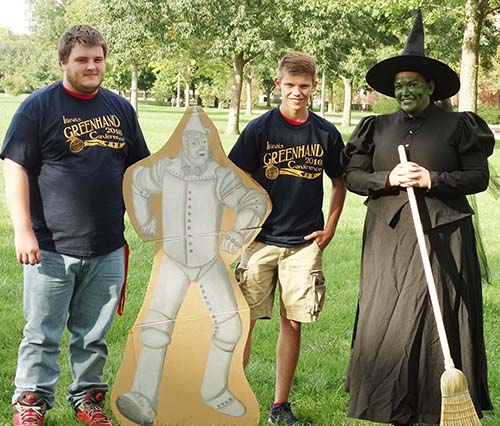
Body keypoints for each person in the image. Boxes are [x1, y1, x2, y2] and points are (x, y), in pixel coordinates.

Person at [343, 10, 494, 426]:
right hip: (389, 240)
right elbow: (353, 176)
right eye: (399, 86)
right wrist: (386, 177)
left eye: (413, 84)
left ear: (430, 86)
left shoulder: (458, 126)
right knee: (389, 319)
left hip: (444, 236)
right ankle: (391, 406)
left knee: (438, 315)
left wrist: (432, 178)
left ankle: (436, 406)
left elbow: (477, 178)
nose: (405, 91)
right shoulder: (376, 127)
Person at [1, 24, 150, 426]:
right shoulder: (39, 107)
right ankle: (31, 401)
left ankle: (88, 399)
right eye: (82, 60)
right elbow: (14, 166)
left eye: (97, 59)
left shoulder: (120, 109)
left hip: (107, 247)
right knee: (42, 332)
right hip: (49, 246)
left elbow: (141, 171)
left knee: (93, 334)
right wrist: (22, 230)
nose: (91, 66)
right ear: (63, 61)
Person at [115, 107, 268, 425]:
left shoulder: (219, 175)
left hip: (208, 260)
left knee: (230, 326)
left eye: (203, 140)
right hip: (173, 260)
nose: (199, 146)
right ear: (184, 141)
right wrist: (146, 223)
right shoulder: (166, 170)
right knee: (156, 326)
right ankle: (143, 397)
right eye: (193, 140)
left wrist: (237, 233)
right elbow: (139, 181)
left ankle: (215, 392)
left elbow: (252, 201)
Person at [228, 51, 346, 425]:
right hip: (259, 241)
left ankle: (280, 406)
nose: (297, 92)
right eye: (290, 85)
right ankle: (233, 398)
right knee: (243, 320)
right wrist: (242, 225)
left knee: (291, 321)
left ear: (313, 87)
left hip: (302, 244)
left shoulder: (325, 132)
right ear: (278, 84)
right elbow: (233, 179)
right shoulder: (260, 129)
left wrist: (330, 227)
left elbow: (340, 181)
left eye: (304, 86)